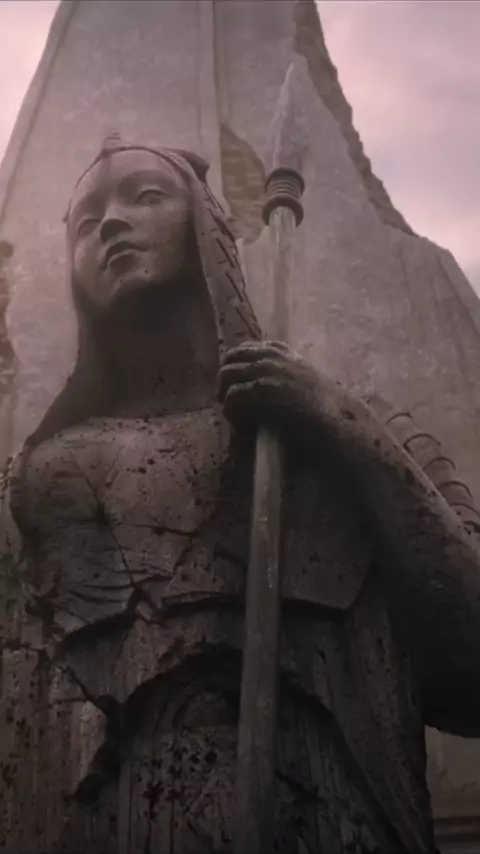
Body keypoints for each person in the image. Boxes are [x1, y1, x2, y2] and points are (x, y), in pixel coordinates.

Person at [2, 137, 480, 854]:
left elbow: (470, 671)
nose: (111, 223)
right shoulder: (30, 487)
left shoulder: (344, 430)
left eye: (145, 196)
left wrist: (347, 430)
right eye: (86, 221)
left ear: (208, 226)